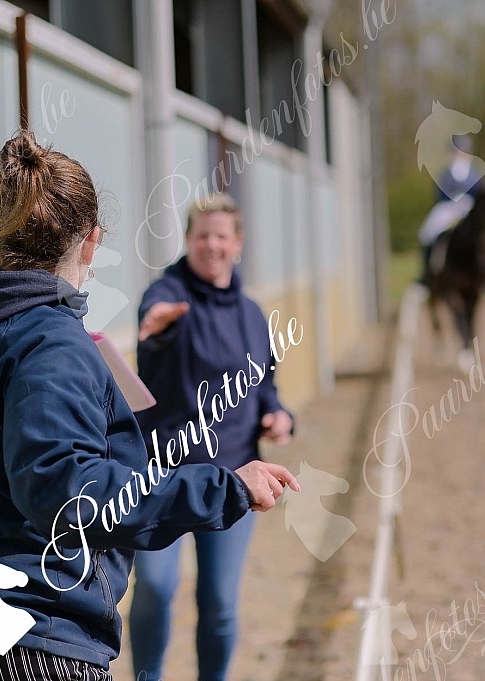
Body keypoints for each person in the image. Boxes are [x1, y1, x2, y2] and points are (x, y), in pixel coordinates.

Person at [0, 132, 298, 681]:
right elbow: (68, 493)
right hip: (18, 637)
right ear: (92, 242)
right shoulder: (50, 343)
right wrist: (224, 487)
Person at [128, 193, 295, 681]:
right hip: (162, 476)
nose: (212, 245)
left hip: (234, 476)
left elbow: (264, 387)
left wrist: (277, 415)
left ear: (238, 243)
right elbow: (155, 318)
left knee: (219, 602)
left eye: (222, 236)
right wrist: (156, 326)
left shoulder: (252, 315)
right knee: (155, 588)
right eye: (202, 235)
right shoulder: (168, 296)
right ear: (188, 239)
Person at [418, 135, 485, 283]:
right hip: (448, 208)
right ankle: (429, 271)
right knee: (427, 232)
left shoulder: (475, 174)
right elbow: (440, 194)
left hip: (470, 208)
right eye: (457, 151)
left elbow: (480, 194)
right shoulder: (446, 174)